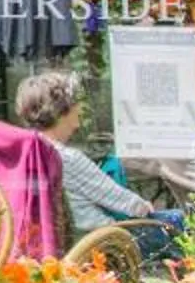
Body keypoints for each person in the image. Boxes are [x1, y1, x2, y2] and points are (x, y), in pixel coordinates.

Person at [13, 68, 165, 246]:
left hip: (50, 243)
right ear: (62, 113)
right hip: (100, 244)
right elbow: (121, 200)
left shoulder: (22, 155)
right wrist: (145, 206)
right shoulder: (65, 157)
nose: (77, 124)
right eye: (76, 114)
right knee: (178, 222)